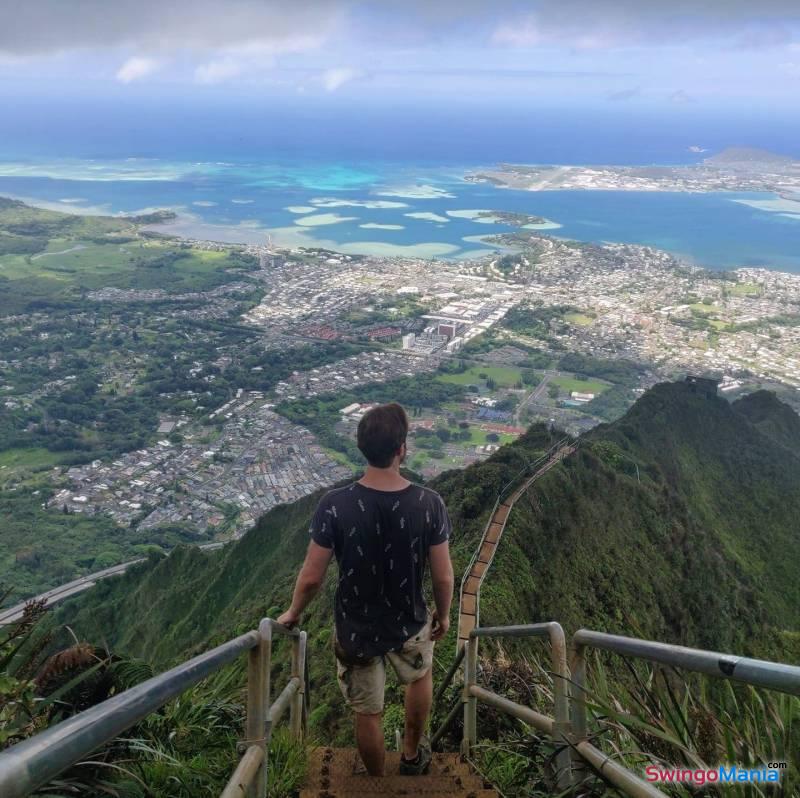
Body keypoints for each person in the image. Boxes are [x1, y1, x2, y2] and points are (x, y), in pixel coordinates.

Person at [277, 402, 455, 777]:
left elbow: (311, 577)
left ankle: (375, 780)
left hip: (356, 626)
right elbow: (442, 575)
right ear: (401, 449)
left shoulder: (334, 505)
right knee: (419, 677)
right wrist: (445, 612)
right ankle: (410, 756)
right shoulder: (429, 503)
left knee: (367, 710)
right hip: (410, 618)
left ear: (361, 447)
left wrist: (294, 613)